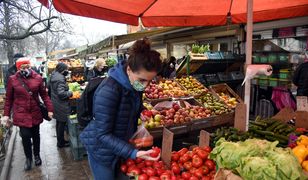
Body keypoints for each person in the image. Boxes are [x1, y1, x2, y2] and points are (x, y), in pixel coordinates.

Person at [80, 39, 162, 180]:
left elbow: (128, 105)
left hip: (120, 145)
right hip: (102, 151)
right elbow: (102, 135)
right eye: (142, 80)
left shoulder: (134, 84)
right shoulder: (109, 90)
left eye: (150, 80)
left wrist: (141, 111)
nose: (146, 85)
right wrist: (133, 153)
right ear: (129, 70)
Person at [2, 58, 53, 171]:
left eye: (27, 66)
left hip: (35, 111)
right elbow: (9, 99)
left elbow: (44, 95)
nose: (25, 69)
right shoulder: (13, 79)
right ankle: (28, 158)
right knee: (25, 136)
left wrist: (50, 109)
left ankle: (37, 155)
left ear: (30, 66)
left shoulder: (38, 78)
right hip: (21, 112)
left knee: (36, 135)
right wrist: (6, 115)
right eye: (22, 67)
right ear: (18, 68)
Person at [49, 63, 73, 148]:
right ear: (62, 69)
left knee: (59, 122)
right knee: (61, 123)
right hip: (61, 104)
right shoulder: (60, 79)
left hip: (56, 102)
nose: (67, 71)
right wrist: (70, 93)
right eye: (66, 69)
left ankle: (60, 141)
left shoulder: (54, 75)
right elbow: (61, 93)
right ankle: (61, 143)